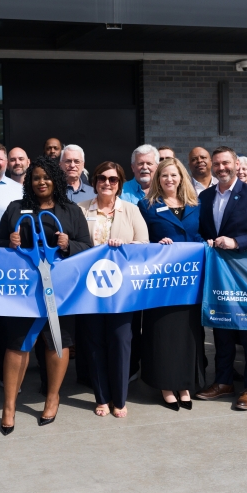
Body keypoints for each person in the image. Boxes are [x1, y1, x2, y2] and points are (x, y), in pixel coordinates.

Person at [0, 156, 92, 434]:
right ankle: (9, 406)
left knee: (56, 341)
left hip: (60, 291)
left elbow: (88, 247)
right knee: (16, 344)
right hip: (21, 292)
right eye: (35, 177)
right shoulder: (16, 209)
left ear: (56, 180)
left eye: (46, 177)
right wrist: (8, 243)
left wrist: (68, 244)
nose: (41, 182)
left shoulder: (70, 211)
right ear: (29, 181)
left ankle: (53, 397)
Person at [195, 147, 247, 411]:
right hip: (218, 276)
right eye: (217, 164)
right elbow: (201, 230)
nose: (221, 168)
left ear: (236, 165)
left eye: (226, 163)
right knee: (221, 330)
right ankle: (223, 382)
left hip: (246, 275)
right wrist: (204, 241)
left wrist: (236, 242)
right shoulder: (206, 196)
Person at [77, 162, 148, 417]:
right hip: (88, 289)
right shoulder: (80, 209)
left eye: (113, 179)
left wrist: (124, 247)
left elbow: (143, 245)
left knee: (120, 340)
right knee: (94, 341)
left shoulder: (131, 209)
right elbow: (74, 245)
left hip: (122, 290)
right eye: (102, 178)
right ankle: (102, 397)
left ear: (120, 183)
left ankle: (120, 398)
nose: (107, 183)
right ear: (95, 181)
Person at [137, 158, 203, 411]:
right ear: (157, 179)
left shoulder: (195, 205)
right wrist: (156, 245)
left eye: (174, 175)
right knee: (162, 333)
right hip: (161, 282)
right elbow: (141, 241)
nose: (169, 180)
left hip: (188, 280)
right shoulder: (147, 206)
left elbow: (198, 235)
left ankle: (184, 384)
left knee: (187, 333)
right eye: (164, 176)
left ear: (181, 178)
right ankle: (165, 385)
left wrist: (204, 242)